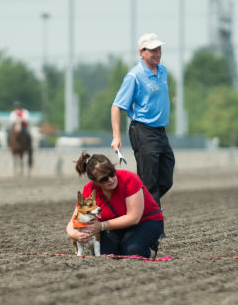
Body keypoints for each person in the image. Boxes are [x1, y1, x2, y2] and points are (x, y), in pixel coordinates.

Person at [111, 33, 175, 208]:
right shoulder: (134, 76)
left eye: (159, 49)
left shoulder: (162, 71)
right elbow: (116, 106)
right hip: (143, 131)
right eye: (153, 50)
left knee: (166, 178)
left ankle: (134, 204)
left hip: (161, 132)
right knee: (149, 182)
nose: (157, 53)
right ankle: (152, 227)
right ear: (141, 52)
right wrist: (116, 137)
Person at [66, 151, 164, 259]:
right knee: (104, 254)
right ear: (95, 182)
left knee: (132, 250)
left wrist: (101, 226)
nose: (111, 179)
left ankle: (151, 251)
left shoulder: (129, 179)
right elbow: (72, 223)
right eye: (104, 179)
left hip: (146, 221)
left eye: (112, 173)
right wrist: (75, 234)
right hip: (114, 227)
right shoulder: (89, 190)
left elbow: (134, 218)